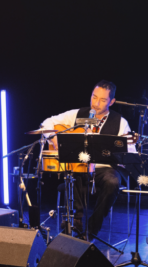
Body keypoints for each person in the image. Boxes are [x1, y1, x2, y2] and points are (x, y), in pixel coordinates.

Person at [39, 80, 135, 239]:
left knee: (113, 182)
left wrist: (117, 154)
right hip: (80, 167)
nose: (96, 103)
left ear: (111, 102)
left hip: (105, 169)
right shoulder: (77, 114)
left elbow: (130, 152)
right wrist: (54, 139)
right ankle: (76, 220)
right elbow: (47, 123)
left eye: (102, 100)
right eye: (94, 97)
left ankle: (91, 231)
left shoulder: (120, 122)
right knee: (74, 172)